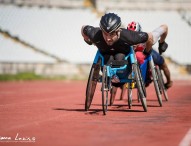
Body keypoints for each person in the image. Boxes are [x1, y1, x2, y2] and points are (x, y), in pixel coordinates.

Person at [81, 13, 169, 105]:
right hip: (106, 61)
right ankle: (112, 77)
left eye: (111, 34)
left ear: (118, 31)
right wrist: (87, 40)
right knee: (108, 57)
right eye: (105, 34)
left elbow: (153, 35)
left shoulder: (130, 36)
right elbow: (83, 29)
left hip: (124, 65)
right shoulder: (95, 33)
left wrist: (148, 51)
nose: (108, 38)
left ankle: (169, 81)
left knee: (120, 56)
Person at [127, 21, 173, 89]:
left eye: (135, 37)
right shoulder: (125, 40)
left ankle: (169, 82)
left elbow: (165, 27)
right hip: (134, 56)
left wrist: (161, 42)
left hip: (148, 52)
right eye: (131, 37)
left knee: (163, 64)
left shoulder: (150, 37)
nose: (133, 40)